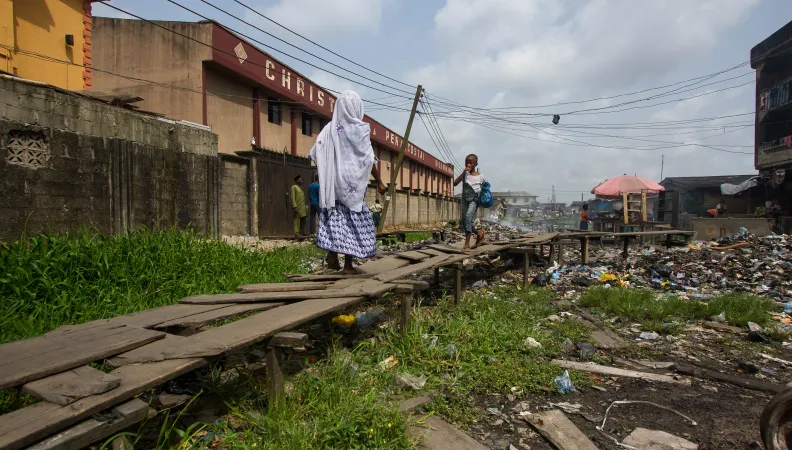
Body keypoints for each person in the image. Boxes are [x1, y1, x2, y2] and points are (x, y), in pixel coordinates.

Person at [309, 90, 387, 275]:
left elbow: (315, 152)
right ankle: (348, 266)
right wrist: (381, 182)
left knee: (336, 220)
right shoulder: (359, 129)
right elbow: (368, 158)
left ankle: (333, 253)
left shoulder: (329, 128)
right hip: (352, 185)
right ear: (357, 107)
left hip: (334, 185)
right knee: (352, 224)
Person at [453, 154, 486, 251]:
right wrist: (464, 172)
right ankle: (479, 234)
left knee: (468, 218)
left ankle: (467, 244)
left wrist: (483, 187)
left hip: (474, 200)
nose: (468, 164)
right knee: (464, 222)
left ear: (476, 164)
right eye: (466, 162)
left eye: (471, 163)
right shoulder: (465, 175)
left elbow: (484, 189)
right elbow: (455, 183)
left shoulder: (480, 176)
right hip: (464, 199)